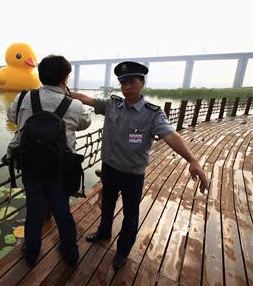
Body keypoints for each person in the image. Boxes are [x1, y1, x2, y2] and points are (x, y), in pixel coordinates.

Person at [70, 61, 209, 270]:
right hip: (109, 169)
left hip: (132, 175)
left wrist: (192, 160)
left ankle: (123, 251)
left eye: (131, 81)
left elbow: (171, 135)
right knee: (106, 205)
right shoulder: (112, 105)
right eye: (122, 82)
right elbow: (87, 99)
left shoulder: (152, 113)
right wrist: (63, 91)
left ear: (142, 83)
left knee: (130, 214)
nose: (126, 86)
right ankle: (104, 232)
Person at [6, 55, 91, 267]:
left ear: (40, 76)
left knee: (34, 211)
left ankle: (31, 253)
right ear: (65, 79)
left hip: (30, 167)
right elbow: (85, 123)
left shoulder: (24, 98)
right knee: (62, 209)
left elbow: (11, 115)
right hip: (60, 170)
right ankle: (70, 253)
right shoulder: (74, 105)